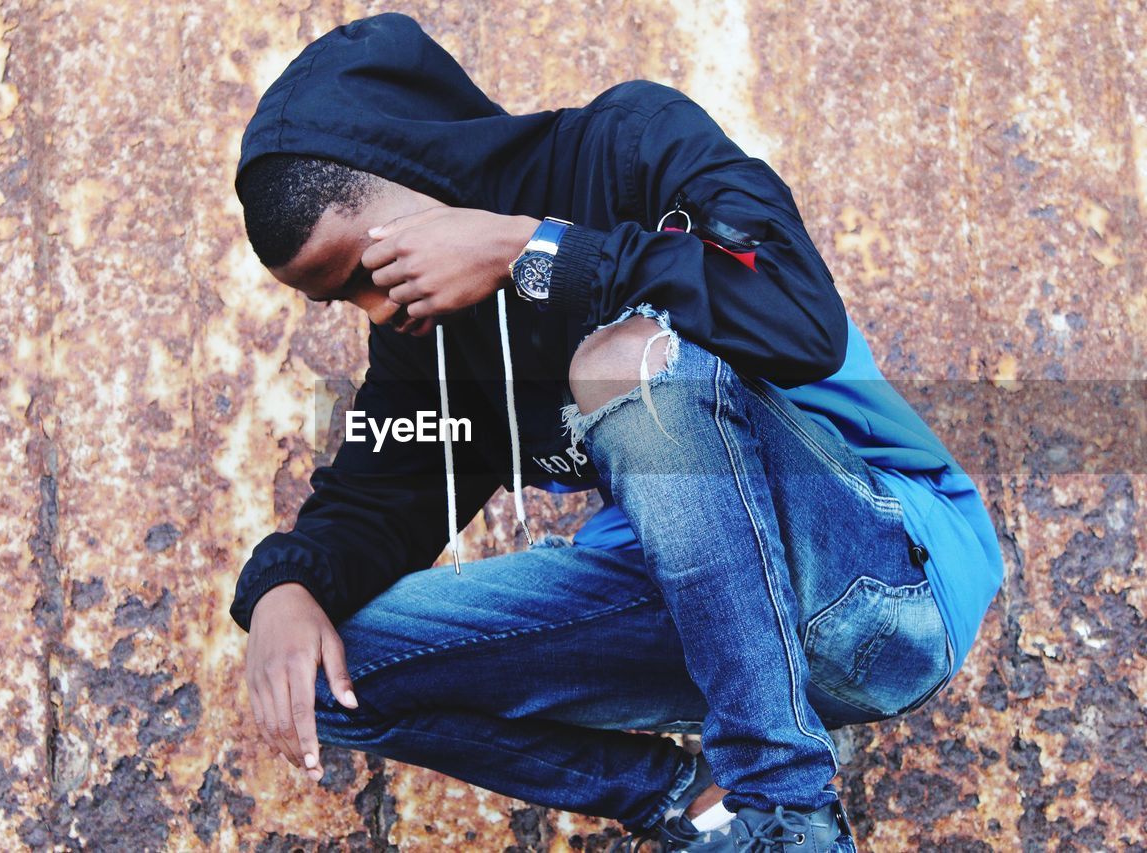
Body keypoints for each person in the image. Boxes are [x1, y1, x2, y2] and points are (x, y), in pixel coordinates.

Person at [228, 13, 1004, 852]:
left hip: (879, 577)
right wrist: (281, 589)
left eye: (367, 273)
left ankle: (788, 812)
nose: (380, 310)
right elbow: (375, 497)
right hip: (706, 626)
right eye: (341, 300)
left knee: (623, 361)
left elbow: (797, 316)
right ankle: (691, 804)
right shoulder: (428, 343)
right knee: (322, 675)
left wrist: (534, 251)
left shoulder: (629, 146)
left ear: (423, 175)